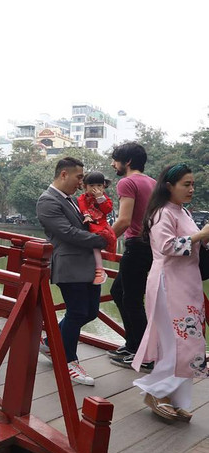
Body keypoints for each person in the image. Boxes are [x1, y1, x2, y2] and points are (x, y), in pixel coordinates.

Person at [132, 164, 209, 422]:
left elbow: (193, 242)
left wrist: (203, 238)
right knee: (179, 343)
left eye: (192, 184)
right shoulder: (162, 213)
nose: (191, 189)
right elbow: (166, 246)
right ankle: (156, 392)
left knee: (188, 342)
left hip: (188, 282)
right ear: (169, 186)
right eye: (186, 184)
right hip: (169, 282)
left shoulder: (183, 212)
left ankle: (174, 398)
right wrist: (201, 235)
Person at [35, 157, 108, 386]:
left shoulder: (73, 200)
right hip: (69, 266)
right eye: (78, 177)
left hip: (87, 265)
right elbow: (67, 233)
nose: (81, 182)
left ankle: (50, 343)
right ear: (64, 174)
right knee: (77, 312)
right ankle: (67, 361)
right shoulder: (47, 201)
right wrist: (100, 239)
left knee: (90, 312)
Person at [108, 142, 157, 368]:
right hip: (150, 247)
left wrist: (98, 242)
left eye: (116, 160)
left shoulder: (126, 182)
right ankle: (133, 344)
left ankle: (145, 354)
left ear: (127, 162)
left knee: (132, 299)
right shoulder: (153, 183)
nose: (113, 164)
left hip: (137, 245)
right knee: (118, 292)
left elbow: (124, 220)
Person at [78, 171, 116, 285]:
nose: (96, 189)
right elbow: (83, 207)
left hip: (101, 226)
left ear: (104, 186)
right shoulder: (82, 198)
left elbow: (107, 210)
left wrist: (100, 198)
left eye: (99, 185)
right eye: (92, 186)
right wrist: (87, 215)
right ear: (85, 186)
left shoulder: (105, 199)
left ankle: (100, 270)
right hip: (88, 224)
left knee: (95, 245)